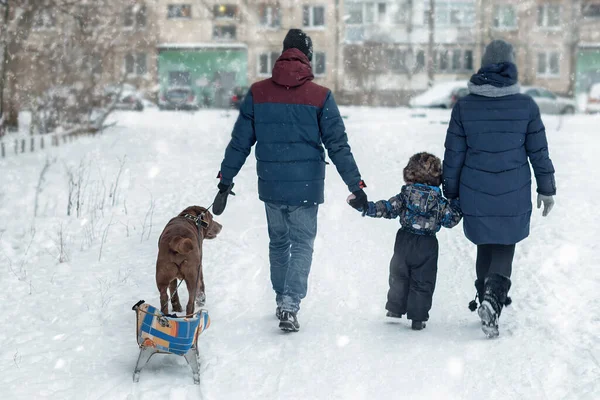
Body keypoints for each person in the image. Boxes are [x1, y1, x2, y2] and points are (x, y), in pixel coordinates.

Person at [212, 29, 367, 332]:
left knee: (279, 243)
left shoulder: (258, 93)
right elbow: (338, 145)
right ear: (307, 57)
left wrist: (224, 181)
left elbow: (239, 143)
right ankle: (290, 304)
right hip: (306, 187)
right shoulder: (320, 96)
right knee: (302, 245)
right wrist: (355, 185)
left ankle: (281, 296)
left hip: (271, 184)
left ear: (282, 54)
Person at [442, 39, 556, 338]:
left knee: (484, 242)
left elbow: (454, 155)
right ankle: (493, 297)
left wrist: (450, 192)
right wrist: (546, 187)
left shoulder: (465, 106)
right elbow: (539, 152)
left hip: (474, 189)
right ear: (511, 66)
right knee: (505, 243)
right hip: (513, 190)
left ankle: (485, 297)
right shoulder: (526, 106)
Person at [349, 153, 462, 330]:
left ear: (411, 174)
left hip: (404, 240)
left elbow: (387, 208)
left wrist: (367, 207)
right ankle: (418, 318)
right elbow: (451, 220)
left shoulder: (405, 195)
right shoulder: (439, 202)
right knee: (423, 281)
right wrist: (458, 202)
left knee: (398, 275)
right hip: (427, 244)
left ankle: (395, 309)